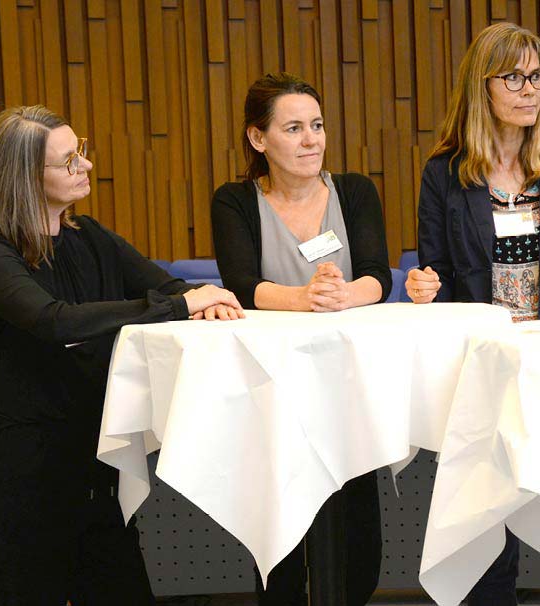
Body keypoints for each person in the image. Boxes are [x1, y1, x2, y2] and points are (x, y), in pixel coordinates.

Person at [0, 105, 244, 605]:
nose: (86, 167)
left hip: (89, 453)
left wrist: (203, 302)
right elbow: (54, 321)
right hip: (15, 459)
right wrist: (178, 305)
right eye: (68, 161)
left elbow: (169, 286)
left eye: (80, 152)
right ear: (25, 176)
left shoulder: (89, 238)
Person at [404, 22, 540, 605]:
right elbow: (439, 280)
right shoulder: (444, 174)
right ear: (482, 86)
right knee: (488, 556)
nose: (531, 90)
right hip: (482, 375)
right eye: (515, 77)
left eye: (538, 76)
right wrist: (425, 290)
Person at [211, 72, 391, 605]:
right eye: (294, 128)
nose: (311, 139)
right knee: (282, 537)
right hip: (273, 389)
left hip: (346, 387)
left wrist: (344, 295)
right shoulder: (235, 201)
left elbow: (378, 274)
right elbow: (241, 287)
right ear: (258, 139)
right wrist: (304, 297)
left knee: (358, 531)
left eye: (316, 125)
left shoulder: (354, 190)